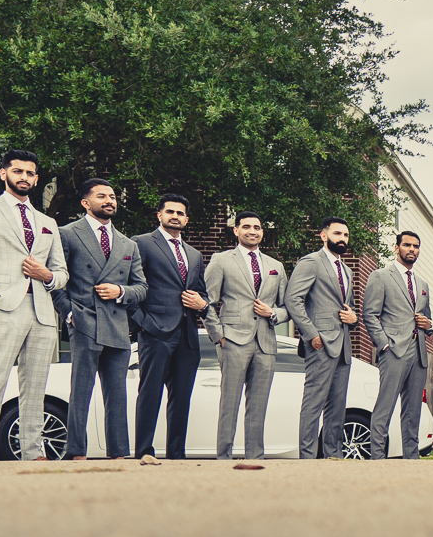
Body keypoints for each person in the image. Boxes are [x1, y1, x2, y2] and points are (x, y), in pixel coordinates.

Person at [0, 149, 66, 460]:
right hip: (3, 308)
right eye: (17, 171)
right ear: (3, 173)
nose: (24, 177)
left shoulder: (47, 222)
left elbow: (61, 273)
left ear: (36, 179)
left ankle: (33, 450)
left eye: (30, 173)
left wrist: (47, 276)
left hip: (43, 313)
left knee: (36, 388)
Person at [60, 178, 145, 460]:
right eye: (101, 196)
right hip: (84, 321)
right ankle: (76, 453)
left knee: (117, 395)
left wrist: (120, 290)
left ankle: (119, 454)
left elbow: (142, 288)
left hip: (118, 325)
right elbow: (57, 281)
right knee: (80, 392)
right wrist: (69, 313)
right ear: (86, 203)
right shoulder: (68, 234)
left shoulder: (128, 244)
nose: (109, 201)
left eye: (112, 196)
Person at [201, 211, 286, 460]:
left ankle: (255, 458)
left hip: (266, 342)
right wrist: (218, 335)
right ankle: (223, 457)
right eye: (246, 227)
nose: (252, 231)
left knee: (258, 405)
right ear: (236, 230)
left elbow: (286, 307)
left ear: (262, 232)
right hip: (233, 340)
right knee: (230, 402)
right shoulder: (221, 260)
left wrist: (273, 313)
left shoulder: (276, 266)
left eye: (257, 227)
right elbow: (207, 301)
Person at [130, 194, 208, 463]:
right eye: (170, 211)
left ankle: (177, 454)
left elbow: (201, 292)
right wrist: (142, 323)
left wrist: (202, 302)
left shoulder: (195, 254)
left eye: (181, 213)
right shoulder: (141, 243)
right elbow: (131, 283)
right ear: (159, 215)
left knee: (181, 399)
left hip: (187, 335)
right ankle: (144, 451)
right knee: (149, 393)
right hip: (155, 332)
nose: (175, 216)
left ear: (187, 219)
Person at [288, 216, 361, 459]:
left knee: (337, 408)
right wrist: (312, 335)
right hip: (320, 345)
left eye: (346, 235)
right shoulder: (311, 262)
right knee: (313, 405)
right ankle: (307, 459)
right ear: (324, 235)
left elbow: (347, 307)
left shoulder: (347, 270)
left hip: (343, 347)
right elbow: (293, 300)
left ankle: (333, 457)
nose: (342, 239)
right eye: (338, 234)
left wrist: (354, 318)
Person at [361, 230, 433, 460]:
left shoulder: (422, 284)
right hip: (393, 351)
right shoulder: (381, 276)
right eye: (407, 245)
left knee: (413, 412)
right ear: (397, 247)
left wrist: (428, 325)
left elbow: (427, 320)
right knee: (385, 407)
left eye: (416, 246)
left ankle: (411, 458)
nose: (412, 249)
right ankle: (378, 458)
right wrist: (383, 345)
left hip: (419, 352)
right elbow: (370, 314)